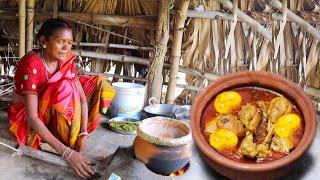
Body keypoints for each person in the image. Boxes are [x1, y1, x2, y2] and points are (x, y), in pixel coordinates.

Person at [7, 18, 116, 178]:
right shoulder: (31, 64)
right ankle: (66, 143)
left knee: (98, 83)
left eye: (69, 42)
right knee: (65, 88)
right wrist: (68, 153)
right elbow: (32, 117)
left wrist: (83, 133)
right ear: (43, 41)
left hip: (51, 108)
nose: (66, 47)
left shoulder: (65, 59)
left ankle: (70, 138)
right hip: (27, 116)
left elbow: (82, 99)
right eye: (60, 42)